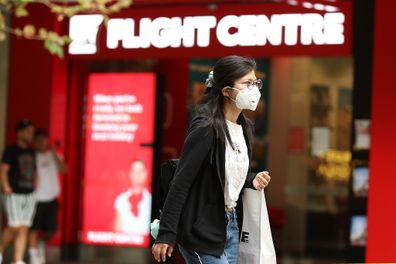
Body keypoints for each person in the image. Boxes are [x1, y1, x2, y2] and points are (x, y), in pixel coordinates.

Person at [152, 56, 271, 264]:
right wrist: (166, 233)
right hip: (202, 228)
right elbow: (181, 181)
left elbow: (219, 171)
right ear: (226, 91)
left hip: (230, 226)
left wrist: (250, 179)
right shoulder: (206, 128)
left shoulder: (245, 128)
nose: (254, 89)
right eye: (247, 83)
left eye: (256, 82)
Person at [0, 119, 37, 264]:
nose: (30, 134)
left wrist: (35, 186)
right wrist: (6, 186)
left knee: (24, 227)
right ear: (20, 132)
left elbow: (34, 171)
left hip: (29, 193)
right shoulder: (11, 150)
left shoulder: (31, 152)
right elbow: (4, 170)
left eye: (32, 132)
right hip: (13, 193)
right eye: (28, 131)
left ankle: (18, 260)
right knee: (14, 226)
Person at [28, 130, 67, 264]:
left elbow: (64, 169)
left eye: (44, 140)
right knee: (33, 228)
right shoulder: (31, 157)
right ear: (34, 142)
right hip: (36, 199)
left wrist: (55, 152)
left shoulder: (54, 155)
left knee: (51, 230)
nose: (42, 143)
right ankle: (33, 257)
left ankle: (40, 242)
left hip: (51, 199)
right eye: (39, 140)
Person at [113, 160, 152, 235]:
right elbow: (117, 229)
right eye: (134, 171)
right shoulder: (121, 199)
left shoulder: (150, 199)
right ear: (130, 174)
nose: (137, 175)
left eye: (140, 171)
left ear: (145, 174)